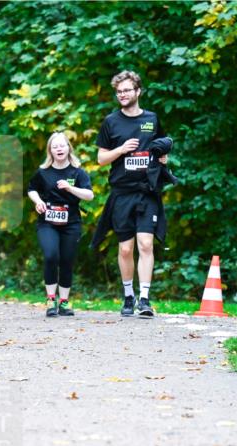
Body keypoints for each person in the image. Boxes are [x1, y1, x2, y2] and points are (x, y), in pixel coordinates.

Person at [91, 70, 173, 318]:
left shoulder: (152, 119)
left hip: (147, 192)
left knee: (146, 244)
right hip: (122, 193)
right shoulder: (111, 122)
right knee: (126, 249)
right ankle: (128, 296)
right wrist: (121, 150)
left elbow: (162, 146)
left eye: (127, 90)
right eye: (119, 91)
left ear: (138, 91)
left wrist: (163, 158)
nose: (122, 95)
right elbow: (101, 158)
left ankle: (145, 299)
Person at [27, 132, 94, 317]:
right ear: (50, 150)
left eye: (62, 145)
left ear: (68, 148)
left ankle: (64, 302)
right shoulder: (43, 172)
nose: (59, 149)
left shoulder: (77, 172)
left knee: (67, 260)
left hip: (71, 223)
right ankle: (50, 299)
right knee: (51, 255)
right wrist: (38, 201)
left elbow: (89, 195)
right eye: (55, 146)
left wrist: (70, 187)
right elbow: (31, 189)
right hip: (47, 222)